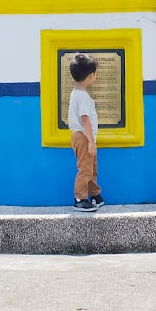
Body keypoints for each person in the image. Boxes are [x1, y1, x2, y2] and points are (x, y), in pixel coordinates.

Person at [68, 53, 104, 211]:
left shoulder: (77, 93)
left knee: (91, 167)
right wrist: (91, 142)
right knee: (85, 168)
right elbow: (85, 120)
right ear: (90, 75)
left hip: (83, 137)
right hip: (83, 137)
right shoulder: (82, 96)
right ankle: (80, 198)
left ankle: (95, 195)